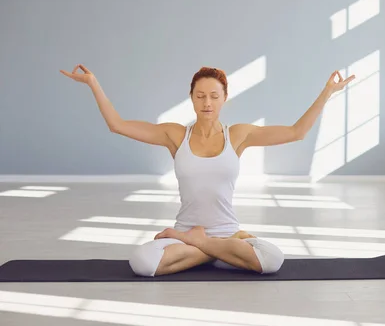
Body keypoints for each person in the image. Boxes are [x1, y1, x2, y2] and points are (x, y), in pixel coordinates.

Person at [60, 64, 355, 277]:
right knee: (142, 262)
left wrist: (328, 92)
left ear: (225, 97)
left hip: (227, 233)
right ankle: (212, 251)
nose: (207, 102)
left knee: (274, 259)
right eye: (200, 96)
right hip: (190, 232)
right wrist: (93, 83)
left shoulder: (238, 134)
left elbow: (296, 132)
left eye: (214, 95)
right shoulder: (175, 135)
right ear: (191, 98)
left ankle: (201, 246)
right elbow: (118, 125)